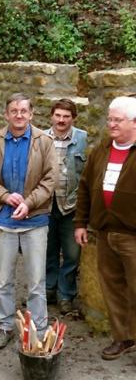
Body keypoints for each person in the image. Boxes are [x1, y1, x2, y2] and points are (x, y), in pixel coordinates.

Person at [0, 92, 57, 350]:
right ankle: (5, 327)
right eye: (14, 111)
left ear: (31, 114)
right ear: (6, 114)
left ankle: (39, 332)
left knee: (36, 282)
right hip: (5, 220)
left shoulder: (44, 142)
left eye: (24, 111)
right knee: (3, 280)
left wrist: (28, 202)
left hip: (35, 221)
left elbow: (50, 180)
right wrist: (4, 195)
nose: (19, 115)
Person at [74, 96, 136, 360]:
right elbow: (86, 187)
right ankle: (124, 338)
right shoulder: (102, 149)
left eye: (117, 120)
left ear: (134, 122)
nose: (111, 124)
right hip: (105, 234)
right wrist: (80, 222)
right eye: (109, 118)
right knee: (113, 289)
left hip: (132, 236)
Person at [44, 99, 87, 314]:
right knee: (48, 251)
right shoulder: (41, 138)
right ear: (51, 116)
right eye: (58, 115)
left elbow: (88, 174)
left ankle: (66, 295)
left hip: (72, 206)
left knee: (71, 254)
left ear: (73, 118)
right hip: (45, 205)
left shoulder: (83, 140)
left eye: (66, 116)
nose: (61, 120)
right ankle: (48, 290)